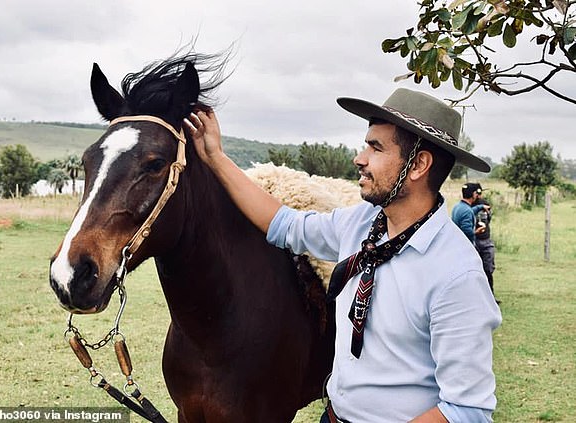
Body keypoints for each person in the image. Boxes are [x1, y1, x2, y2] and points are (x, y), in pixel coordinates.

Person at [185, 88, 502, 422]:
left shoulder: (456, 274)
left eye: (376, 147)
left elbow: (466, 409)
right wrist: (215, 157)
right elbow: (285, 224)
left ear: (418, 164)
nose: (359, 158)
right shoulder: (362, 223)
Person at [472, 184, 498, 301]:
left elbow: (489, 219)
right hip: (476, 239)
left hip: (485, 239)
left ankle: (490, 297)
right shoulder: (469, 206)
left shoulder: (485, 204)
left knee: (488, 270)